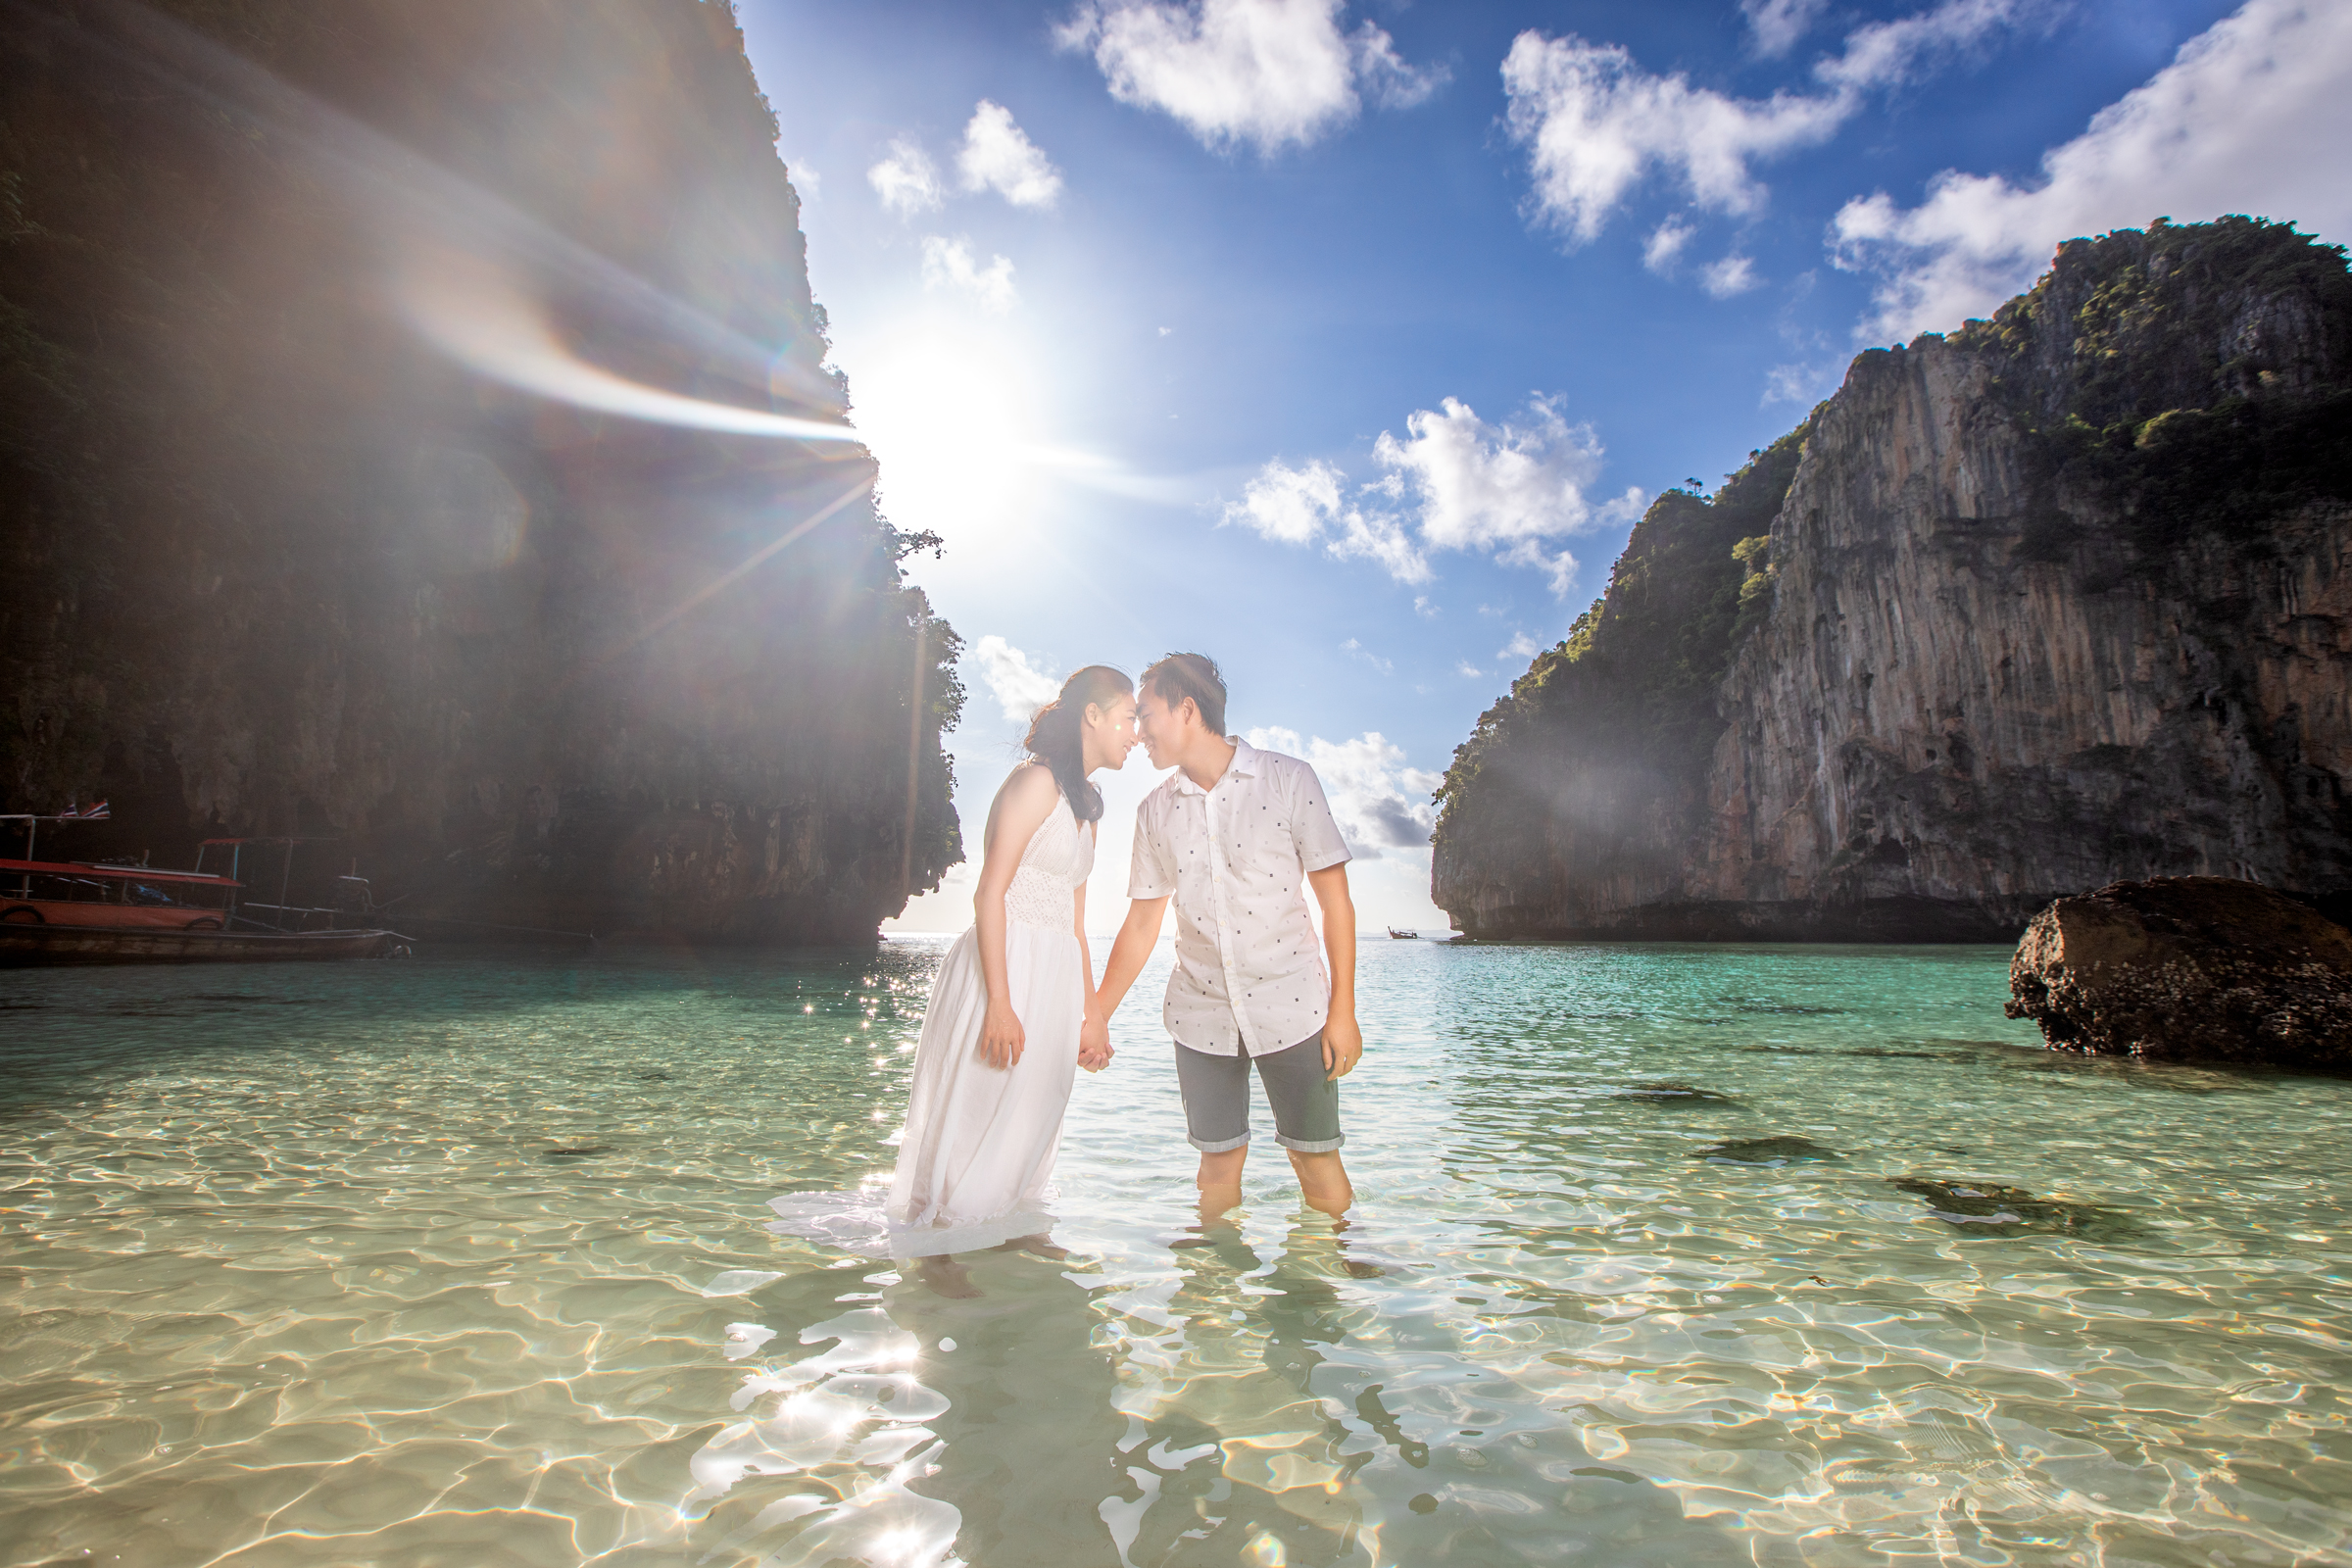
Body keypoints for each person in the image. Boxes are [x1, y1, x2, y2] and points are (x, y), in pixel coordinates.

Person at [887, 664, 1137, 1294]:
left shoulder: (1088, 810)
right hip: (1003, 963)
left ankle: (1017, 1221)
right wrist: (999, 1002)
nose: (1136, 733)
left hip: (1054, 972)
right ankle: (937, 1245)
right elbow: (989, 894)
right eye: (1129, 718)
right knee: (979, 1096)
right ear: (1093, 715)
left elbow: (1077, 924)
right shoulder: (1035, 783)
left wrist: (1092, 1013)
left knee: (1038, 1101)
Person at [1085, 653, 1361, 1221]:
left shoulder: (1289, 779)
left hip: (1294, 1007)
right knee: (1216, 1168)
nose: (1139, 731)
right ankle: (1212, 1275)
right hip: (1199, 1014)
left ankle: (1327, 1272)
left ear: (1187, 709)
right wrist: (1097, 1016)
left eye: (1146, 714)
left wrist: (1343, 1011)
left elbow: (1336, 903)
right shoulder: (1153, 811)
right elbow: (1142, 924)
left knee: (1315, 1161)